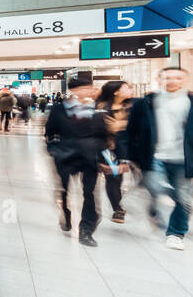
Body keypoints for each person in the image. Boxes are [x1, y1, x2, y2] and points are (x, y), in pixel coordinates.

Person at [126, 66, 193, 250]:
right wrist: (128, 157)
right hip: (155, 156)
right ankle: (157, 206)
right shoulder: (146, 103)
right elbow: (131, 132)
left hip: (184, 159)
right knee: (156, 186)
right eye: (168, 78)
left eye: (177, 78)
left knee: (184, 199)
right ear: (160, 80)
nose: (172, 81)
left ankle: (175, 233)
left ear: (184, 81)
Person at [45, 76, 108, 247]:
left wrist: (103, 157)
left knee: (90, 193)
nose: (88, 91)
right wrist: (53, 148)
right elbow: (50, 130)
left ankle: (86, 231)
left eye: (90, 88)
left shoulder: (97, 110)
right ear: (74, 90)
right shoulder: (59, 109)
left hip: (90, 157)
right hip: (65, 156)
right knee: (64, 189)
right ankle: (65, 212)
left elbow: (104, 136)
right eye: (84, 88)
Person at [95, 80, 131, 223]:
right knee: (114, 177)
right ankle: (118, 208)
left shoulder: (133, 106)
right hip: (110, 149)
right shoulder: (101, 107)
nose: (130, 89)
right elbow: (107, 128)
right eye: (126, 87)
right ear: (116, 91)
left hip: (132, 147)